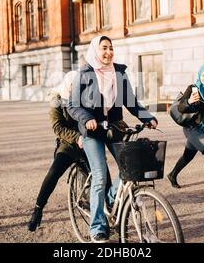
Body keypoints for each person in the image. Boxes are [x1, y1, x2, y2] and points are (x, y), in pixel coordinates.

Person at [67, 36, 158, 242]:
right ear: (95, 51)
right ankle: (97, 227)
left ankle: (109, 201)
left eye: (110, 48)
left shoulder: (118, 73)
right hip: (93, 131)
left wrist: (148, 117)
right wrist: (88, 118)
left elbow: (131, 102)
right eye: (104, 48)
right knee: (99, 176)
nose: (108, 52)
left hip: (114, 127)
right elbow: (72, 105)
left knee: (129, 169)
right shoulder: (85, 73)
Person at [27, 70, 87, 232]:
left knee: (102, 175)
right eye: (75, 86)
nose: (78, 89)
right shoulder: (56, 100)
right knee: (53, 173)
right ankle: (38, 209)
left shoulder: (84, 96)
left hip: (87, 142)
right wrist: (76, 138)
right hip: (68, 143)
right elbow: (57, 127)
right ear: (69, 84)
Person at [167, 64, 204, 200]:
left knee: (189, 155)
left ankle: (172, 174)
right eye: (203, 75)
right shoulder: (193, 88)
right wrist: (190, 101)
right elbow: (180, 107)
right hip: (192, 128)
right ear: (199, 75)